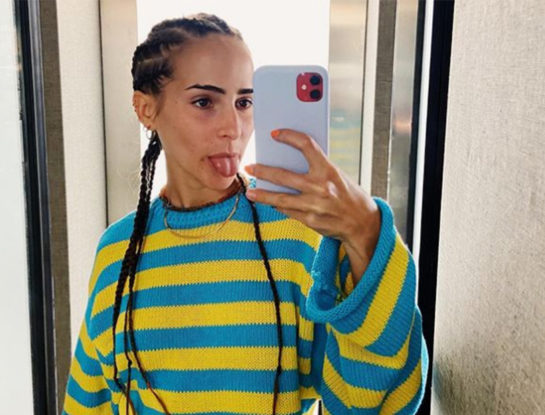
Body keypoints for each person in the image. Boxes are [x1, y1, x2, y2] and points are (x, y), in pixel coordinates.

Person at [61, 13, 428, 415]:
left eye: (244, 102)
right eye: (204, 102)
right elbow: (88, 403)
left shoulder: (297, 235)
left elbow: (376, 403)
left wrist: (367, 233)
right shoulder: (118, 251)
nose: (233, 128)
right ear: (146, 109)